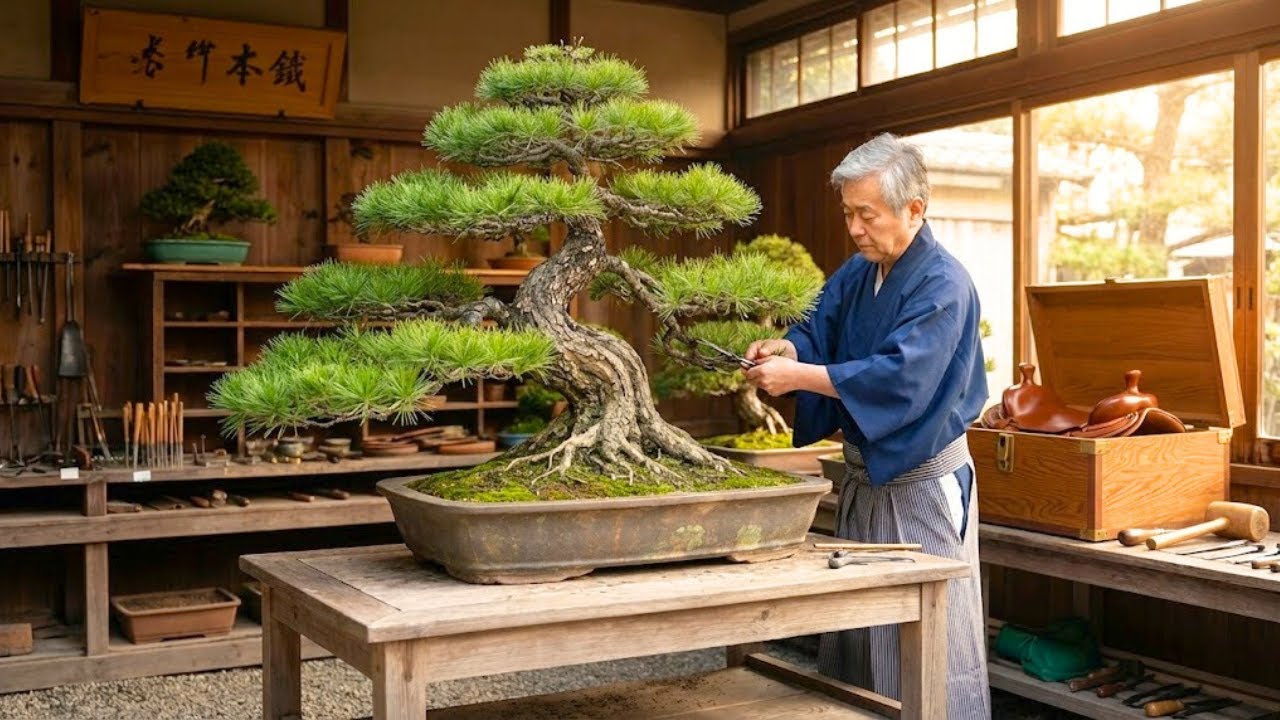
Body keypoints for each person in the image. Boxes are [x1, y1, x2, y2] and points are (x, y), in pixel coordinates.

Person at [745, 132, 991, 719]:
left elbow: (898, 380)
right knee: (860, 632)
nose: (855, 228)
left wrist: (799, 377)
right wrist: (788, 345)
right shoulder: (860, 272)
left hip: (920, 486)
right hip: (866, 478)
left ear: (915, 209)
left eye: (867, 214)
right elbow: (816, 328)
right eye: (849, 214)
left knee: (930, 635)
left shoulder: (943, 285)